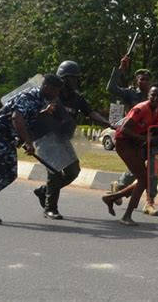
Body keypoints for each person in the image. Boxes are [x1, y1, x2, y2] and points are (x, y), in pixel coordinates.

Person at [0, 74, 64, 224]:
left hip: (7, 138)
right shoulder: (29, 96)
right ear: (46, 87)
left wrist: (44, 113)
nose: (57, 94)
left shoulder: (40, 99)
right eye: (55, 91)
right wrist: (28, 142)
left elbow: (29, 116)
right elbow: (17, 118)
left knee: (10, 175)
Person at [33, 60, 111, 220]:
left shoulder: (77, 98)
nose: (75, 81)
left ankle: (44, 191)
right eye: (72, 78)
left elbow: (91, 113)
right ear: (63, 78)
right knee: (54, 172)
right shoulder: (51, 95)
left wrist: (108, 123)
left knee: (73, 171)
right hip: (46, 139)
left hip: (63, 139)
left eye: (76, 78)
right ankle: (50, 208)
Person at [106, 54, 158, 216]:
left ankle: (150, 202)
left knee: (154, 170)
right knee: (137, 172)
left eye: (147, 79)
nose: (144, 82)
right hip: (133, 140)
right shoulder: (130, 94)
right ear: (136, 81)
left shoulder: (157, 97)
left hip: (152, 141)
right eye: (141, 79)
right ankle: (119, 187)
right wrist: (119, 70)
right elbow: (111, 88)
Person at [101, 84, 158, 226]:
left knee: (145, 179)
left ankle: (112, 198)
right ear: (148, 96)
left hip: (135, 144)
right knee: (143, 179)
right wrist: (144, 139)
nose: (155, 98)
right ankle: (126, 216)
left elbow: (156, 127)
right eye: (153, 95)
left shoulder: (157, 109)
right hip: (124, 143)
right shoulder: (141, 108)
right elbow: (123, 129)